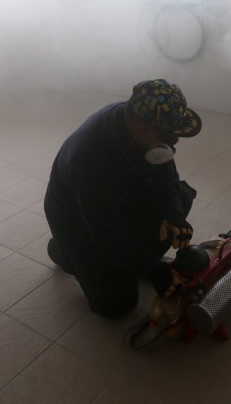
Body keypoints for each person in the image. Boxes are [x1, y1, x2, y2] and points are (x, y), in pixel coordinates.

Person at [43, 79, 202, 318]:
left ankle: (136, 260)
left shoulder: (136, 120)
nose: (171, 144)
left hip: (114, 197)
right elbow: (106, 230)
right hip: (80, 221)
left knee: (180, 197)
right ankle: (63, 252)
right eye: (169, 137)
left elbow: (166, 175)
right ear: (145, 129)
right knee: (117, 304)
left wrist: (175, 215)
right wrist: (154, 270)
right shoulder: (90, 161)